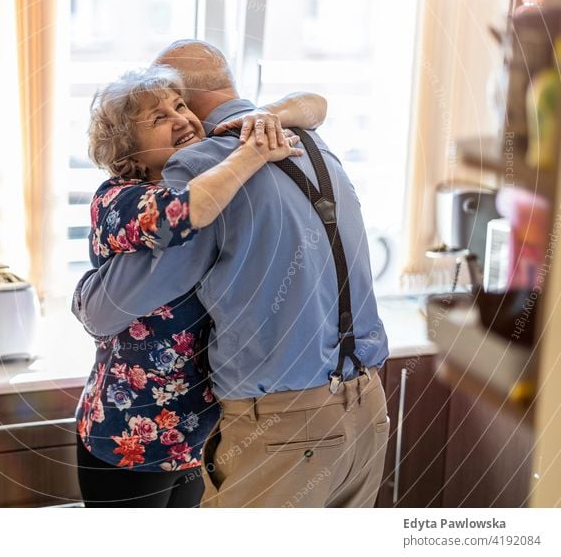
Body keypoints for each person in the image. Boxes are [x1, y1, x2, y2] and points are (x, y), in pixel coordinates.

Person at [74, 40, 390, 508]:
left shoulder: (205, 164)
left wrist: (85, 294)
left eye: (178, 103)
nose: (179, 118)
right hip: (366, 410)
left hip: (282, 426)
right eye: (158, 115)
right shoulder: (309, 141)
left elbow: (106, 308)